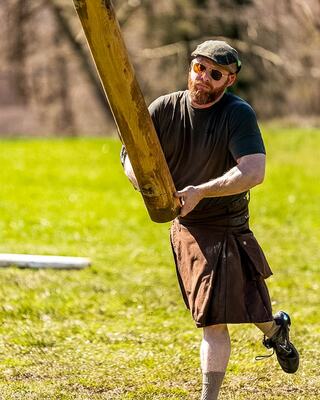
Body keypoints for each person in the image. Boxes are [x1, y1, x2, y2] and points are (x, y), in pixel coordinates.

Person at [121, 40, 299, 399]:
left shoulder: (237, 114)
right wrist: (143, 182)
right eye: (198, 68)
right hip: (186, 227)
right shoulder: (165, 108)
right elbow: (129, 154)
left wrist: (200, 191)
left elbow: (253, 171)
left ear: (229, 80)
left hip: (227, 222)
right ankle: (275, 330)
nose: (202, 78)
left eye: (214, 73)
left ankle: (265, 338)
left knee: (232, 311)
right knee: (214, 314)